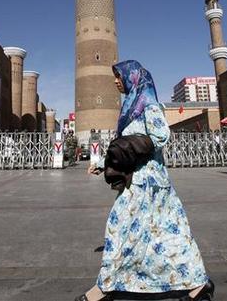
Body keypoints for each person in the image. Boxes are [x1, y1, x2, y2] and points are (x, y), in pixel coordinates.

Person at [78, 60, 214, 301]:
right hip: (142, 183)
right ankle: (196, 282)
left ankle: (104, 288)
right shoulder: (132, 107)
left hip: (147, 183)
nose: (115, 81)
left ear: (133, 77)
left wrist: (126, 148)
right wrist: (104, 163)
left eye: (119, 76)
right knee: (167, 235)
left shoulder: (148, 106)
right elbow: (125, 146)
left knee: (120, 228)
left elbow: (161, 135)